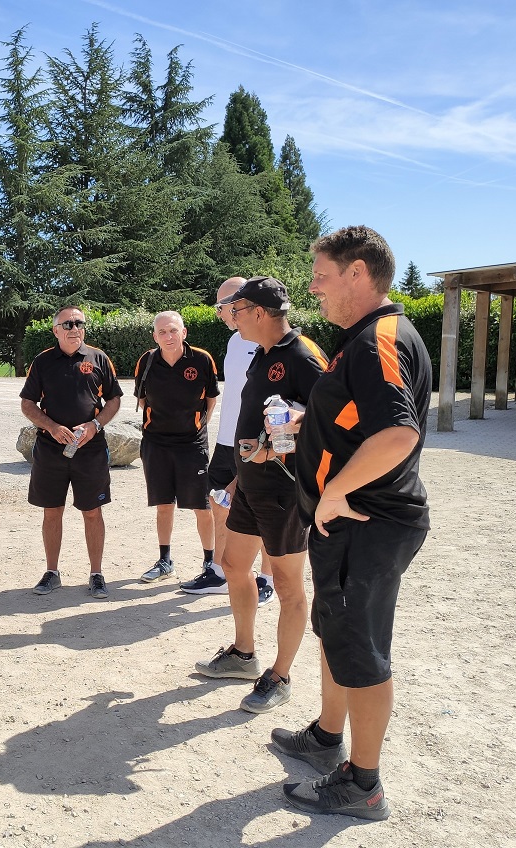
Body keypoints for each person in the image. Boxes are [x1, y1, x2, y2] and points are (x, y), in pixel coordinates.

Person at [274, 226, 431, 821]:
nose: (313, 287)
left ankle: (363, 783)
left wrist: (335, 491)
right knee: (336, 632)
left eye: (322, 276)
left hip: (367, 522)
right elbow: (361, 419)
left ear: (358, 272)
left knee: (360, 650)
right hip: (350, 525)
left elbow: (398, 434)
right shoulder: (363, 338)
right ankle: (325, 736)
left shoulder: (376, 341)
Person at [193, 276, 327, 714]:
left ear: (258, 312)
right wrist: (238, 477)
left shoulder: (303, 355)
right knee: (234, 565)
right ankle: (244, 654)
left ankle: (280, 675)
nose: (231, 316)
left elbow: (333, 420)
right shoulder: (261, 354)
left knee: (287, 585)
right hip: (250, 484)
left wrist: (279, 443)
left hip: (285, 489)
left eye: (236, 309)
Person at [180, 277, 276, 606]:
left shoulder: (273, 341)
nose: (222, 313)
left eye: (223, 305)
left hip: (258, 443)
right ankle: (219, 572)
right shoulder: (236, 341)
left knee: (264, 511)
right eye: (221, 307)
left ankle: (266, 579)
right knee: (219, 504)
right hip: (227, 441)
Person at [19, 306, 123, 599]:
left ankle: (97, 574)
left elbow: (114, 399)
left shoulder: (98, 358)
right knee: (52, 511)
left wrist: (95, 425)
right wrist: (51, 427)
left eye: (79, 323)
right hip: (50, 449)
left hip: (90, 450)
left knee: (92, 511)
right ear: (56, 331)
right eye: (67, 324)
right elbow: (27, 404)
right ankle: (52, 572)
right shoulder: (42, 361)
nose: (75, 328)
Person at [133, 311, 219, 584]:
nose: (168, 336)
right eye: (162, 332)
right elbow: (143, 400)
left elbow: (211, 400)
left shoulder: (202, 360)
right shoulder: (146, 361)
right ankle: (165, 560)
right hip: (156, 443)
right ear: (154, 336)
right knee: (163, 505)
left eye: (173, 330)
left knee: (202, 506)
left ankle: (210, 562)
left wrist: (195, 426)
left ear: (184, 332)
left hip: (192, 444)